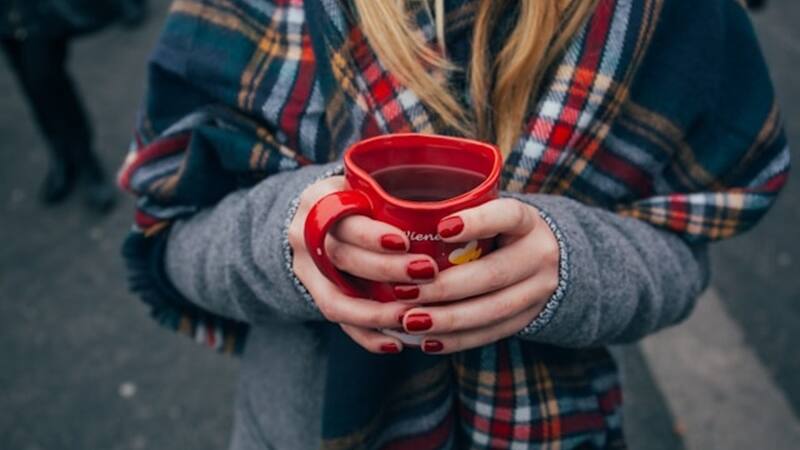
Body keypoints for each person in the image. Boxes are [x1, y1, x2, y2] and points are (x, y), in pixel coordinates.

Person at [119, 0, 789, 448]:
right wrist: (290, 235)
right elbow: (172, 235)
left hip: (551, 428)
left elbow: (683, 251)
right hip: (300, 429)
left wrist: (570, 265)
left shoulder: (663, 17)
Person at [1, 0, 118, 211]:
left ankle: (86, 159)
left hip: (34, 11)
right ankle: (61, 155)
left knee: (47, 77)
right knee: (30, 85)